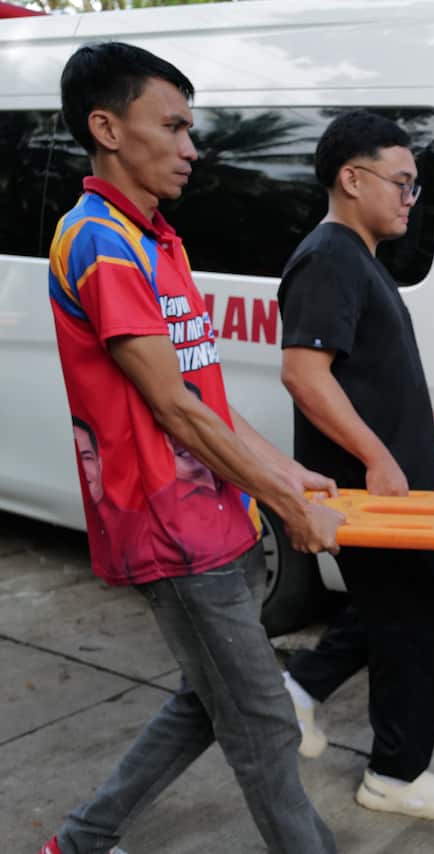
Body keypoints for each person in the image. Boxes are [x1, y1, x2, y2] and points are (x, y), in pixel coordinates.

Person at [43, 42, 344, 854]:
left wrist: (284, 474)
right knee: (264, 726)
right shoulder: (102, 244)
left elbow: (204, 394)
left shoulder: (157, 239)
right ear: (106, 128)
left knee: (203, 704)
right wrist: (286, 503)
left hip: (219, 517)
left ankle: (79, 842)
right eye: (171, 127)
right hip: (173, 534)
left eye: (190, 127)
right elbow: (173, 409)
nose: (191, 147)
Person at [275, 110, 434, 822]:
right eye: (401, 182)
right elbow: (304, 374)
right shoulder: (329, 256)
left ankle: (299, 693)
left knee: (392, 610)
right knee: (412, 624)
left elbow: (376, 376)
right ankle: (396, 775)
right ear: (351, 177)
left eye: (414, 186)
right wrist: (375, 456)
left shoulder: (358, 257)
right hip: (370, 493)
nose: (409, 197)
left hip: (396, 481)